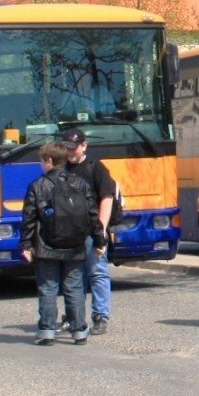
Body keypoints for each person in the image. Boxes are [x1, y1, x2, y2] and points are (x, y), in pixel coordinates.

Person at [22, 141, 105, 345]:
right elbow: (92, 215)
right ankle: (79, 332)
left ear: (49, 161)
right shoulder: (81, 184)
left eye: (42, 161)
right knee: (75, 288)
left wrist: (26, 245)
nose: (41, 165)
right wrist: (99, 240)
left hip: (46, 246)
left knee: (48, 288)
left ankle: (46, 331)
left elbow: (29, 219)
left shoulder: (37, 186)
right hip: (75, 246)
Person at [63, 128, 118, 336]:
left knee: (97, 272)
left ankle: (100, 316)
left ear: (84, 145)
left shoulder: (95, 168)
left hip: (91, 230)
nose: (70, 152)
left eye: (74, 148)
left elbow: (107, 198)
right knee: (72, 276)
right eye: (67, 148)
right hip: (68, 232)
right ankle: (74, 316)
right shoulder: (62, 168)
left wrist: (101, 230)